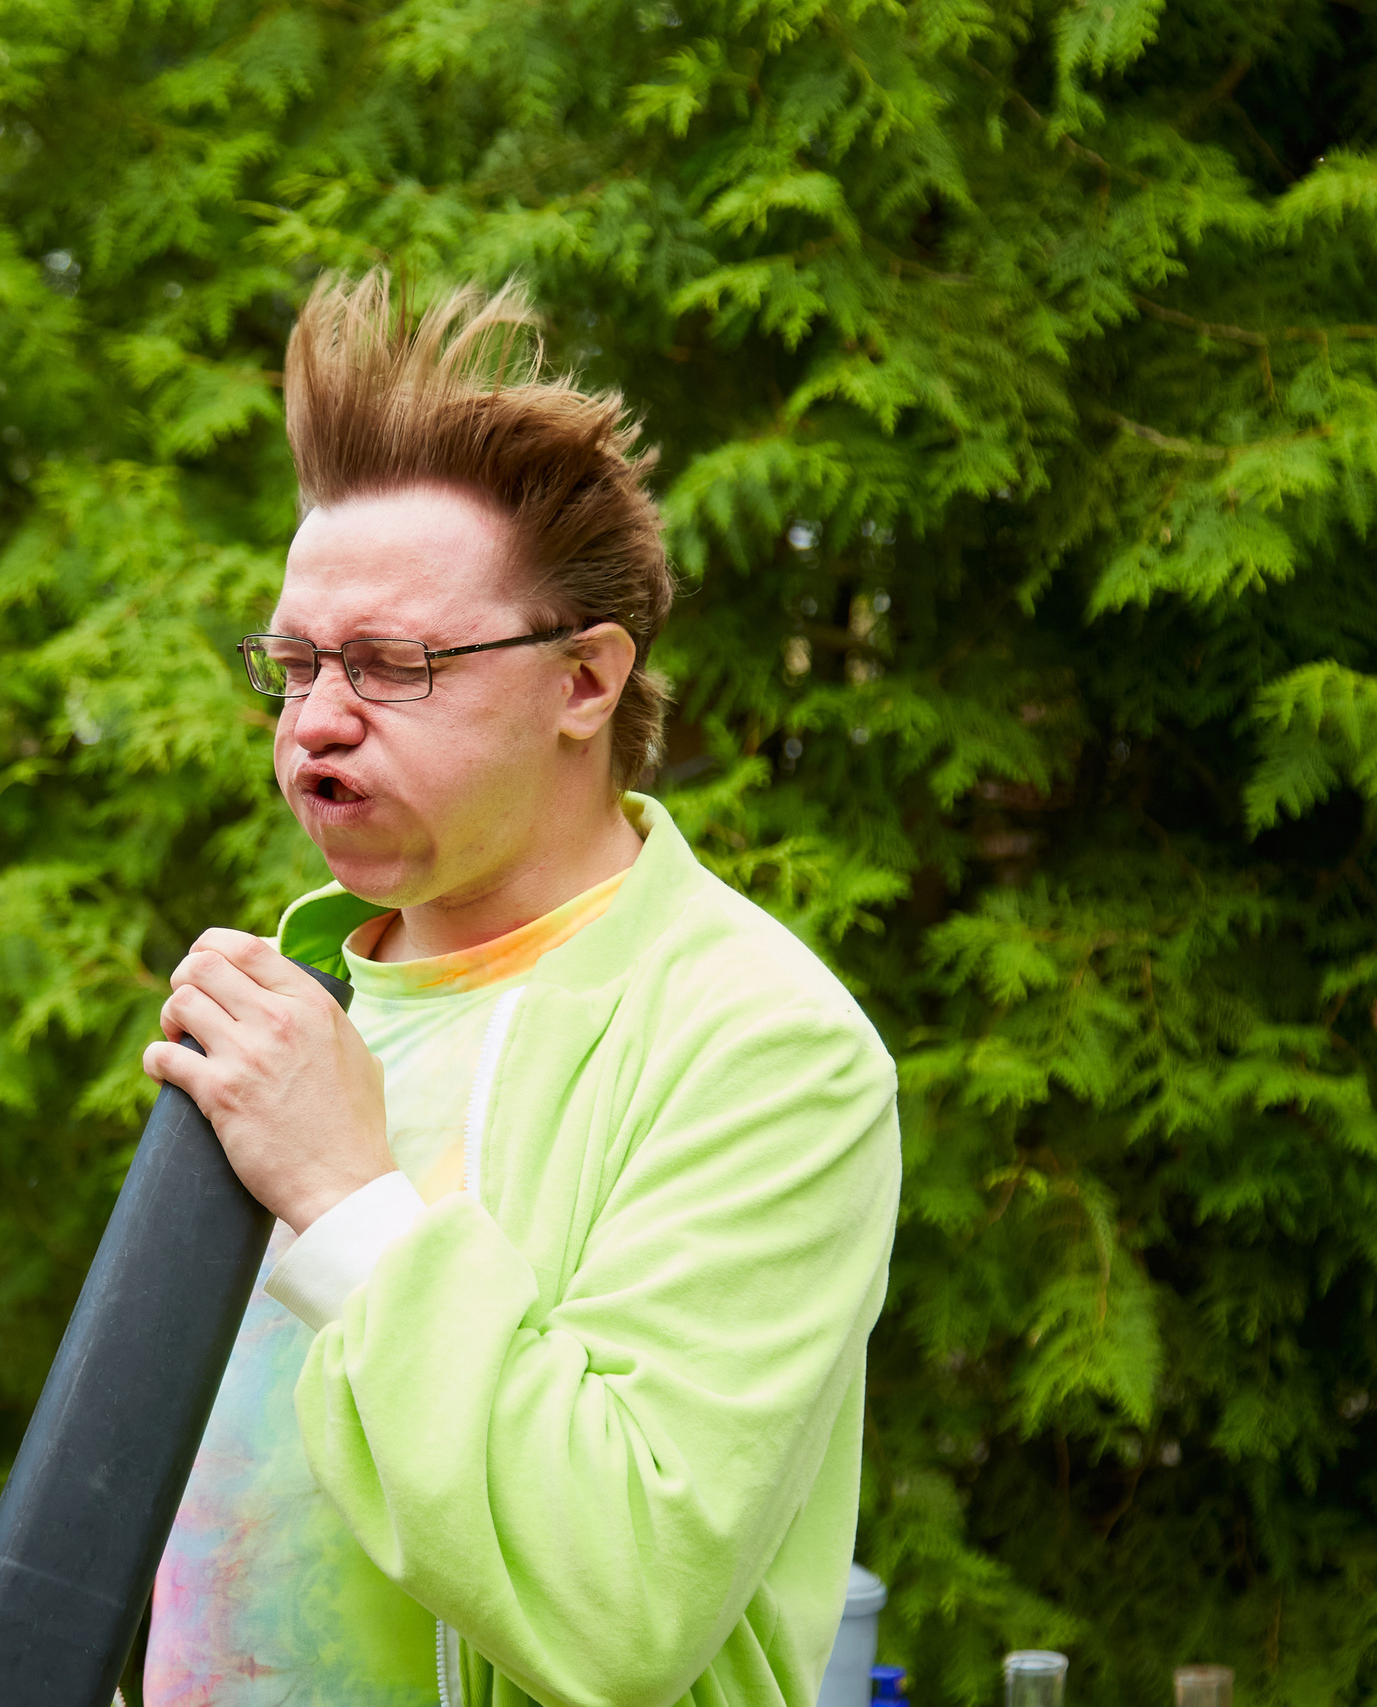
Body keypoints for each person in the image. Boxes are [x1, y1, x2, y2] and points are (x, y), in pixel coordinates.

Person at [138, 271, 902, 1707]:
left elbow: (620, 1595)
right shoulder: (299, 1004)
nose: (313, 723)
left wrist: (353, 1203)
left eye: (391, 665)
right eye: (293, 665)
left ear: (585, 683)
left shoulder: (764, 1050)